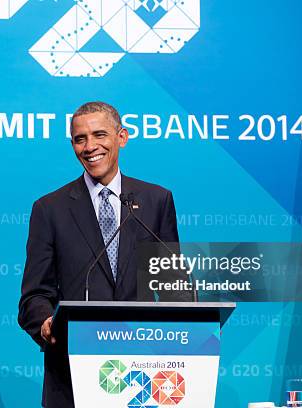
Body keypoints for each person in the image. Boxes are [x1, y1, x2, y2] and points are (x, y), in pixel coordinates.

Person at [18, 101, 187, 407]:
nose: (90, 146)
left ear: (121, 137)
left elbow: (174, 285)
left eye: (99, 135)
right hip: (73, 373)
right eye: (80, 139)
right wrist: (44, 321)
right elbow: (33, 295)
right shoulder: (49, 209)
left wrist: (191, 328)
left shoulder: (155, 200)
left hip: (145, 372)